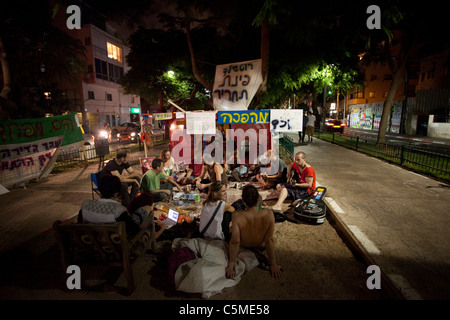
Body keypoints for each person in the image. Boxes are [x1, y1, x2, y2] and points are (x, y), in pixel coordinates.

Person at [226, 185, 282, 279]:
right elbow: (269, 240)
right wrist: (273, 264)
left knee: (230, 233)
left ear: (243, 201)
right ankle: (257, 253)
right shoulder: (268, 214)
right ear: (258, 199)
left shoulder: (237, 215)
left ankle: (252, 253)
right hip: (260, 245)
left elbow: (235, 241)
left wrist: (230, 266)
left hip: (244, 246)